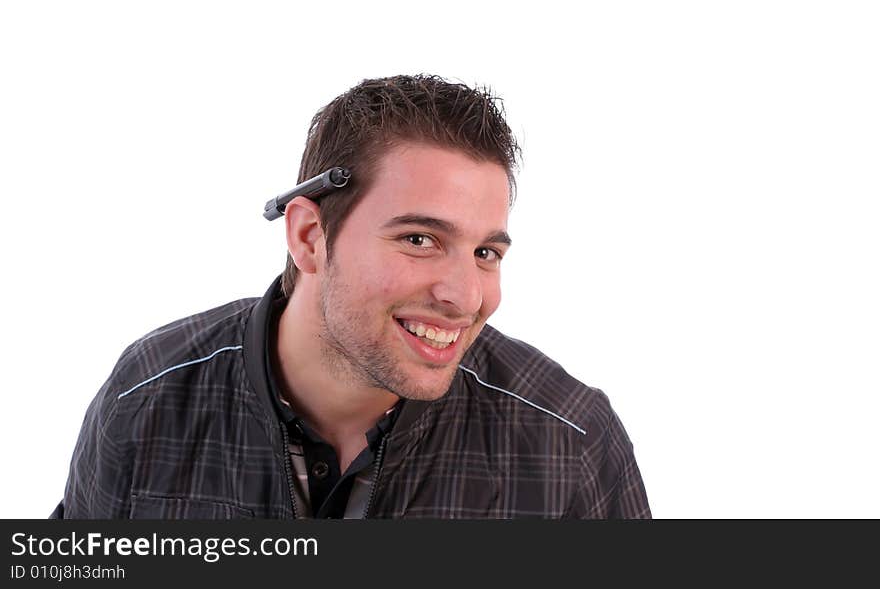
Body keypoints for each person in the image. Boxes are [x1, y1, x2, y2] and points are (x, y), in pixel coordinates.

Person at [53, 75, 650, 519]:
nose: (465, 296)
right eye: (420, 239)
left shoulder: (569, 444)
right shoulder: (149, 399)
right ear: (310, 236)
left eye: (485, 253)